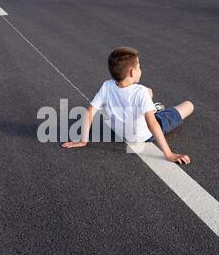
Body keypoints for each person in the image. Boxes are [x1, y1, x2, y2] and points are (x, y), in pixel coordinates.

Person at [62, 46, 193, 165]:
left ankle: (151, 107)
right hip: (143, 135)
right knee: (188, 105)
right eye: (139, 67)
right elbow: (152, 124)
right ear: (132, 72)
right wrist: (168, 154)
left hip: (122, 132)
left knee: (148, 91)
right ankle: (153, 109)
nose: (140, 69)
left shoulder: (107, 86)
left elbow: (89, 112)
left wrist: (83, 140)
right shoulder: (139, 91)